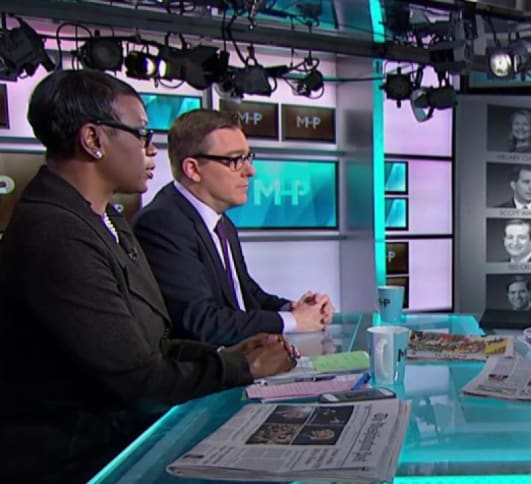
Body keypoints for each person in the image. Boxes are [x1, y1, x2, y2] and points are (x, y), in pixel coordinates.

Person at [0, 70, 297, 482]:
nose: (153, 149)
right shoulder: (55, 233)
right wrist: (242, 367)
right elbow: (139, 381)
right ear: (93, 139)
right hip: (78, 464)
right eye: (142, 134)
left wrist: (230, 354)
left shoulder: (109, 219)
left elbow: (153, 343)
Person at [133, 109, 334, 346]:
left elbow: (246, 294)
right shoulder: (162, 224)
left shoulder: (222, 223)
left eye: (248, 158)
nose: (250, 171)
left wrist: (294, 308)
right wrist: (295, 321)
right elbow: (202, 322)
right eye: (235, 160)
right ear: (193, 169)